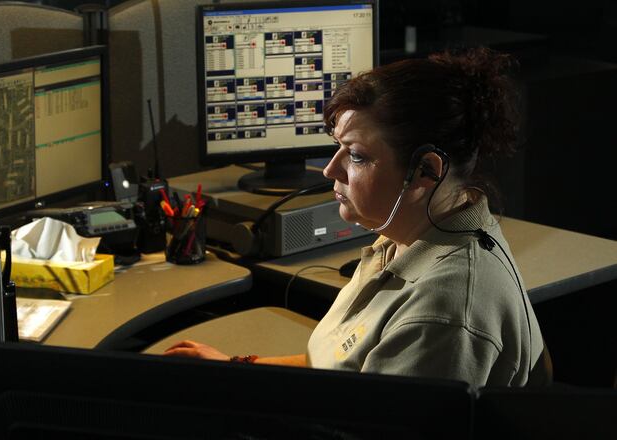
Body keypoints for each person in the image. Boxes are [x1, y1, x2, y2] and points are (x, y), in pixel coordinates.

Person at [165, 47, 551, 387]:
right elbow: (344, 372)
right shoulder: (405, 235)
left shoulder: (442, 316)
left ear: (425, 171)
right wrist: (235, 368)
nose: (330, 170)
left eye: (357, 156)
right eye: (338, 149)